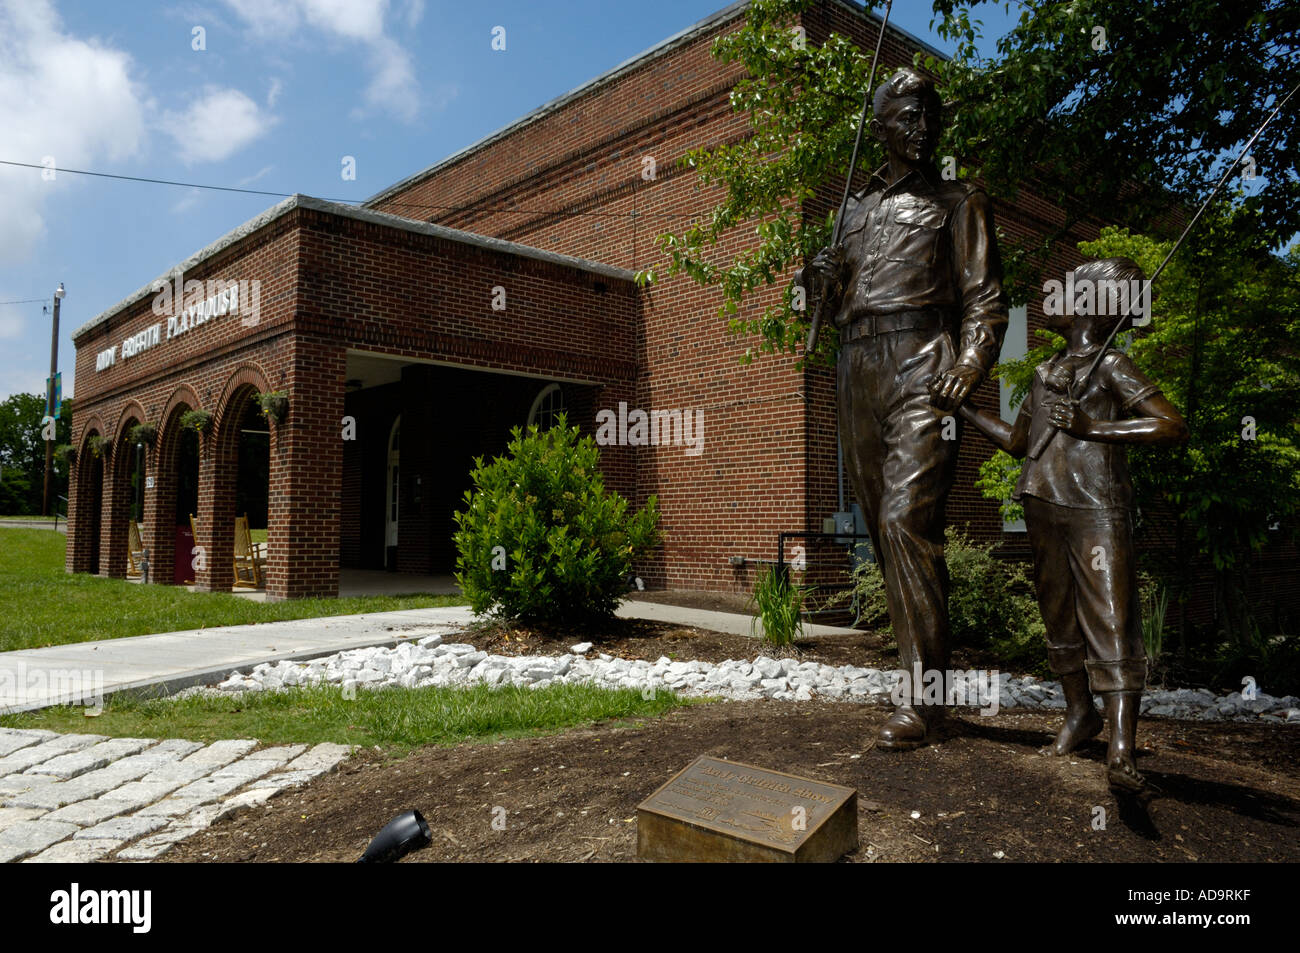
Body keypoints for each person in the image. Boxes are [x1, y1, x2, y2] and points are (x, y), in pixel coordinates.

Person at [795, 67, 1007, 749]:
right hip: (856, 366)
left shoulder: (959, 200)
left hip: (924, 361)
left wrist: (972, 364)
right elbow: (815, 311)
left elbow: (986, 300)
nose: (924, 128)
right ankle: (921, 677)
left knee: (904, 520)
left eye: (929, 116)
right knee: (882, 531)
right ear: (880, 125)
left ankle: (922, 702)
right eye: (909, 116)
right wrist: (813, 282)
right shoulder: (851, 212)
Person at [958, 256, 1188, 791]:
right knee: (1058, 617)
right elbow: (1019, 443)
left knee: (1110, 618)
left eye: (1066, 290)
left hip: (1095, 509)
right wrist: (963, 410)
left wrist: (1093, 428)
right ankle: (1079, 713)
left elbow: (1170, 425)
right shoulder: (1044, 372)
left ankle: (1122, 747)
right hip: (1042, 504)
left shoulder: (1111, 366)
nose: (1051, 294)